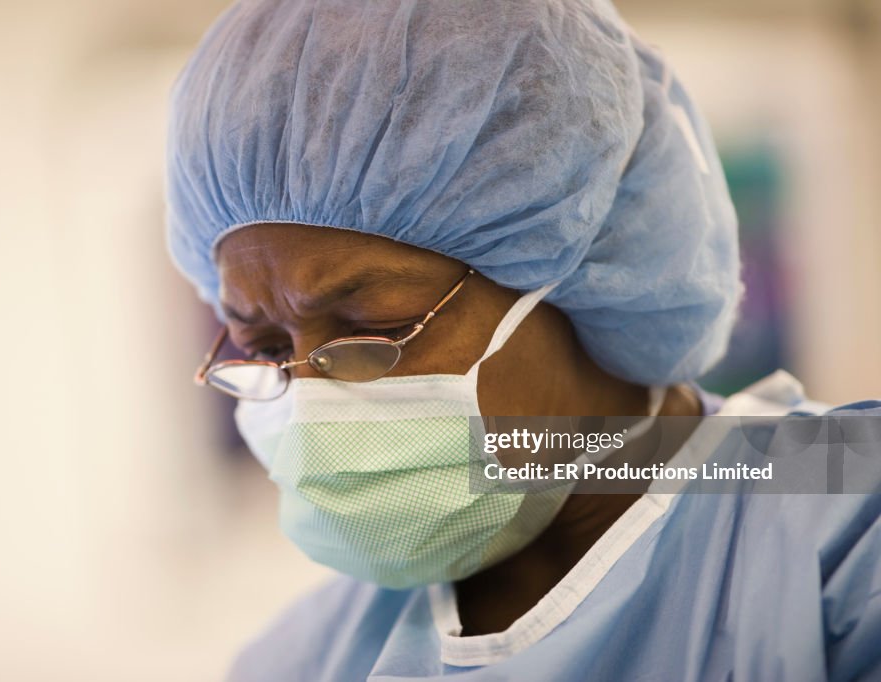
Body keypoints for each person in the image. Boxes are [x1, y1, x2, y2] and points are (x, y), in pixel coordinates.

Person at [165, 1, 881, 679]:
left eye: (372, 330)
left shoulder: (848, 528)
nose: (314, 404)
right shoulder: (305, 660)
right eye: (263, 349)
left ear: (588, 265)